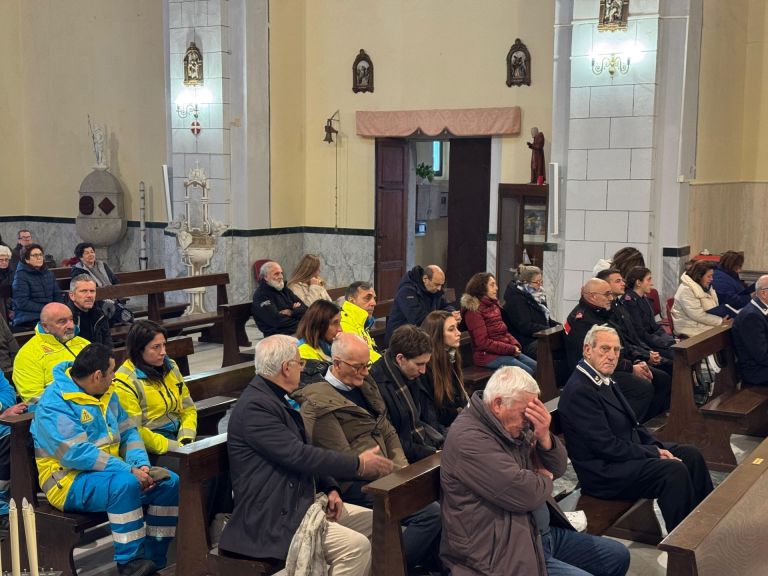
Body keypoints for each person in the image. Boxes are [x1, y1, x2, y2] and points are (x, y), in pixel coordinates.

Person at [218, 334, 394, 574]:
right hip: (272, 515)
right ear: (286, 368)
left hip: (300, 500)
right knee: (355, 548)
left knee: (380, 523)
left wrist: (330, 487)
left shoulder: (273, 397)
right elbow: (298, 455)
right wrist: (358, 464)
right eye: (299, 363)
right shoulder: (255, 408)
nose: (302, 368)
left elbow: (304, 451)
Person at [440, 365, 630, 576]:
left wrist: (544, 437)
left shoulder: (509, 425)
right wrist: (543, 477)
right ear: (498, 404)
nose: (529, 421)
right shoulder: (469, 440)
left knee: (617, 556)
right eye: (525, 413)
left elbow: (558, 468)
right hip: (499, 552)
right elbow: (525, 494)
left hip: (536, 535)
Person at [294, 333, 443, 574]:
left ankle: (428, 565)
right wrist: (393, 478)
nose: (365, 372)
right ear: (337, 363)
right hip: (355, 484)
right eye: (358, 367)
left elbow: (388, 430)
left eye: (367, 365)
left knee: (437, 490)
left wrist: (403, 471)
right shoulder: (319, 403)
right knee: (429, 514)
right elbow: (344, 459)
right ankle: (388, 570)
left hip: (387, 474)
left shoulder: (366, 385)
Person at [31, 343, 179, 576]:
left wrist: (140, 464)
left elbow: (129, 432)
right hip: (67, 481)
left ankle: (154, 558)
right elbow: (75, 453)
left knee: (169, 482)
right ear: (97, 375)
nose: (115, 377)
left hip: (112, 474)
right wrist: (127, 471)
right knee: (125, 485)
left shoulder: (107, 392)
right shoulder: (54, 403)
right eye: (111, 372)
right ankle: (130, 564)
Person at [558, 325, 713, 533]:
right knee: (672, 472)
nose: (612, 356)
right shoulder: (581, 391)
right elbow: (605, 447)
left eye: (616, 350)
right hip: (603, 473)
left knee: (690, 455)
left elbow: (634, 425)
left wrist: (656, 447)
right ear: (587, 350)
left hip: (623, 457)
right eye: (605, 349)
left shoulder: (602, 377)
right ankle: (684, 541)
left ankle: (706, 526)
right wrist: (653, 452)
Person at [563, 278, 668, 422]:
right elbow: (596, 359)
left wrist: (639, 360)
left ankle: (648, 423)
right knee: (643, 388)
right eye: (607, 294)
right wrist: (631, 368)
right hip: (595, 371)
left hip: (615, 363)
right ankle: (626, 425)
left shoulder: (601, 312)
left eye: (611, 294)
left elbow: (622, 343)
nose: (611, 298)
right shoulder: (583, 321)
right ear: (593, 296)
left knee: (662, 378)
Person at [113, 320, 196, 454]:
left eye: (164, 345)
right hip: (152, 447)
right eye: (156, 347)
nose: (163, 352)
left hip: (180, 435)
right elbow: (134, 430)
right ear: (139, 349)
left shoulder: (170, 367)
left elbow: (188, 408)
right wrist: (174, 446)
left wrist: (186, 437)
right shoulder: (124, 382)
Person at [370, 325, 443, 463]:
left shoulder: (412, 373)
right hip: (405, 457)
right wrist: (432, 453)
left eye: (425, 364)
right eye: (419, 364)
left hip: (428, 443)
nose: (423, 370)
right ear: (400, 358)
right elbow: (391, 439)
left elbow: (429, 416)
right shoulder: (376, 385)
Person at [12, 302, 90, 405]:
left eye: (71, 319)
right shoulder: (27, 354)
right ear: (45, 327)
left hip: (96, 403)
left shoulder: (84, 343)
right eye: (62, 322)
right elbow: (34, 398)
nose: (71, 326)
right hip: (59, 410)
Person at [460, 272, 537, 375]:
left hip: (503, 351)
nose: (496, 288)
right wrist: (510, 349)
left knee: (537, 367)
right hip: (486, 356)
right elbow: (482, 343)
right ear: (481, 288)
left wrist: (514, 344)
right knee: (527, 373)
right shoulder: (473, 311)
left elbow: (504, 331)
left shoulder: (493, 305)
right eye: (492, 285)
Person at [385, 264, 459, 345]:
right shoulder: (407, 291)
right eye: (437, 284)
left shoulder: (433, 289)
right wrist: (445, 319)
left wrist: (451, 314)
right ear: (425, 279)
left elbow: (445, 305)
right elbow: (418, 319)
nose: (439, 288)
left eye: (441, 285)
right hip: (402, 338)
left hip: (422, 334)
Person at [420, 310, 469, 428]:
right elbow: (432, 416)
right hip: (443, 429)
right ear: (437, 335)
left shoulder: (450, 356)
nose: (458, 333)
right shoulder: (425, 368)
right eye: (451, 329)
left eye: (457, 328)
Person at [502, 265, 559, 359]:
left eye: (541, 282)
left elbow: (546, 320)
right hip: (524, 342)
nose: (540, 285)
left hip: (539, 337)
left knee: (564, 341)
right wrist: (549, 329)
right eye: (537, 282)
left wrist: (557, 326)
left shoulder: (538, 296)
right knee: (555, 349)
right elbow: (525, 326)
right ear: (525, 282)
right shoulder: (516, 299)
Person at [622, 266, 676, 356]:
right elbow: (640, 333)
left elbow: (654, 326)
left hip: (652, 340)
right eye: (649, 280)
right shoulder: (629, 302)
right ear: (638, 283)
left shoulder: (644, 298)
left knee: (681, 351)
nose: (652, 283)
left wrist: (669, 340)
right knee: (677, 355)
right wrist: (665, 343)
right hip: (643, 345)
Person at [671, 260, 729, 337]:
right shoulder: (686, 290)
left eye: (712, 276)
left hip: (701, 323)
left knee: (729, 329)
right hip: (689, 327)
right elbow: (697, 315)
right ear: (699, 276)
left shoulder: (706, 286)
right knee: (725, 334)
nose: (712, 279)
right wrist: (720, 321)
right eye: (708, 276)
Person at [251, 260, 308, 337]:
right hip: (280, 336)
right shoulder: (261, 295)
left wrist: (292, 312)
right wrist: (303, 323)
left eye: (281, 273)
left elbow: (306, 309)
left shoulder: (284, 289)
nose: (281, 276)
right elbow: (277, 321)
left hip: (298, 330)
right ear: (266, 277)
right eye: (276, 274)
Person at [11, 243, 61, 329]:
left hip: (49, 314)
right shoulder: (21, 276)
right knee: (55, 327)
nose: (39, 257)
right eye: (35, 255)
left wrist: (58, 308)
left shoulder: (48, 273)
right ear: (26, 259)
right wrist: (47, 309)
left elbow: (57, 294)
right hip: (29, 317)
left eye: (40, 254)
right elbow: (22, 302)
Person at [0, 370, 27, 529]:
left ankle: (25, 499)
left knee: (27, 428)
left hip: (4, 421)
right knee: (9, 435)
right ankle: (3, 509)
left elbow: (8, 392)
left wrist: (2, 410)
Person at [732, 275, 768, 386]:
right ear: (764, 293)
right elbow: (762, 356)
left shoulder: (761, 309)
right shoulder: (751, 317)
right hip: (757, 372)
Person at [295, 299, 342, 383]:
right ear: (319, 325)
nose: (340, 329)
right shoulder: (303, 352)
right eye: (335, 323)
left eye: (339, 322)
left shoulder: (328, 346)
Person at [340, 281, 381, 363]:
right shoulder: (344, 321)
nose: (374, 303)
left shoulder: (362, 321)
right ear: (351, 300)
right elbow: (359, 355)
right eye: (367, 298)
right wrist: (383, 362)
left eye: (374, 298)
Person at [67, 274, 112, 349]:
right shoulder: (66, 319)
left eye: (92, 291)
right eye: (84, 291)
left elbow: (108, 343)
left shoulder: (100, 315)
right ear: (72, 295)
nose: (89, 295)